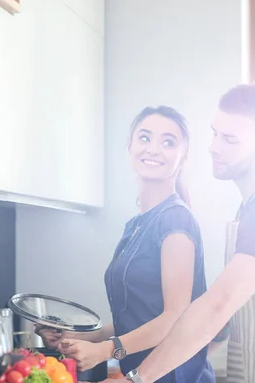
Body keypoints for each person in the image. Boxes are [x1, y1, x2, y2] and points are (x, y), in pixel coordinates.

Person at [106, 84, 255, 383]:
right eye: (215, 132)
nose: (214, 146)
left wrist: (137, 379)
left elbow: (218, 305)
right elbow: (224, 320)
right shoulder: (251, 207)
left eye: (230, 139)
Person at [37, 106, 216, 383]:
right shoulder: (135, 226)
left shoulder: (176, 219)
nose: (154, 149)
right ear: (130, 146)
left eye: (168, 142)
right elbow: (135, 319)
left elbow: (174, 318)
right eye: (145, 138)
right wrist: (76, 338)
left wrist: (106, 350)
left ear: (183, 156)